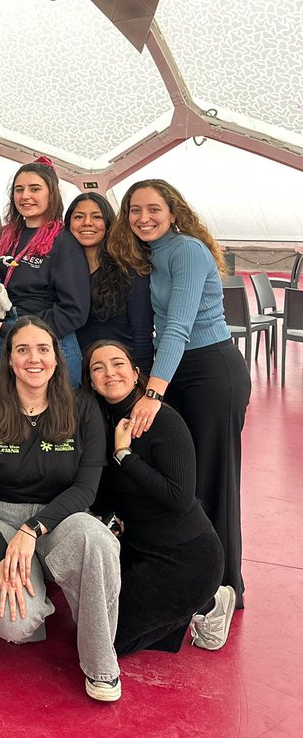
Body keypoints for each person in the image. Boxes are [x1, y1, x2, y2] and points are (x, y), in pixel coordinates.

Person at [0, 316, 121, 702]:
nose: (34, 358)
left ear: (58, 358)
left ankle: (102, 666)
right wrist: (3, 554)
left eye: (43, 349)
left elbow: (86, 489)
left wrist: (33, 530)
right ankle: (40, 588)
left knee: (98, 540)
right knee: (16, 624)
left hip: (57, 518)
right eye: (22, 349)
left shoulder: (82, 408)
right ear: (9, 360)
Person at [108, 179, 251, 607]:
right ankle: (192, 578)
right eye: (135, 210)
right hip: (180, 372)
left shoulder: (187, 249)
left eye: (153, 209)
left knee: (212, 478)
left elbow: (178, 326)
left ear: (173, 211)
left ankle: (225, 589)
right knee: (180, 478)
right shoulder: (152, 254)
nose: (143, 218)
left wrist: (151, 394)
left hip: (211, 371)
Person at [85, 340, 235, 655]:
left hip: (188, 559)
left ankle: (208, 603)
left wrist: (124, 455)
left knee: (106, 643)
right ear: (92, 383)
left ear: (136, 372)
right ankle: (190, 608)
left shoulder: (164, 420)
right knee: (92, 628)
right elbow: (106, 491)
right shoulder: (102, 424)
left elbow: (179, 497)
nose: (109, 373)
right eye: (98, 368)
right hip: (139, 552)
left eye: (117, 363)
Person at [0, 158, 89, 393]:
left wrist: (15, 330)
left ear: (51, 194)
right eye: (19, 189)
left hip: (51, 340)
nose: (25, 196)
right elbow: (0, 285)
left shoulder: (64, 242)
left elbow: (74, 311)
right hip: (2, 336)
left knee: (55, 420)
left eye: (34, 189)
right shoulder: (4, 236)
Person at [65, 193, 154, 373]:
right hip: (74, 374)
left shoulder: (129, 271)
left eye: (96, 216)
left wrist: (142, 381)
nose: (87, 222)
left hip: (119, 376)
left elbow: (142, 333)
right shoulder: (60, 272)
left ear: (108, 222)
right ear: (68, 224)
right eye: (79, 217)